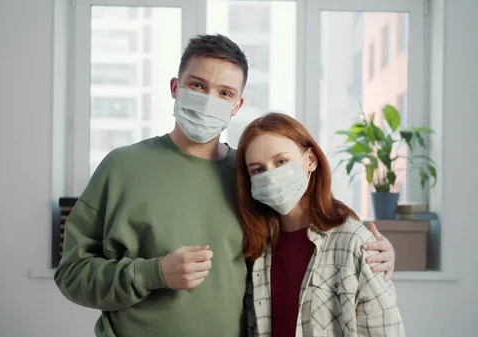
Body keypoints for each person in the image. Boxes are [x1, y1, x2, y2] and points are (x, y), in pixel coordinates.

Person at [54, 34, 396, 337]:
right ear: (175, 88)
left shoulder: (253, 178)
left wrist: (372, 254)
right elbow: (71, 274)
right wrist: (151, 273)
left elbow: (301, 239)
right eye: (197, 85)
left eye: (225, 92)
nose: (208, 99)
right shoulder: (122, 167)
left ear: (237, 105)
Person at [237, 113, 406, 337]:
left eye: (281, 162)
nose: (271, 176)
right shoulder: (256, 245)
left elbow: (385, 331)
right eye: (258, 170)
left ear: (311, 160)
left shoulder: (355, 241)